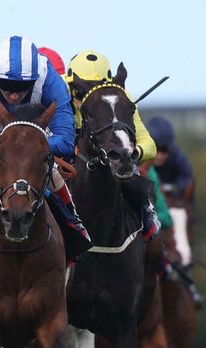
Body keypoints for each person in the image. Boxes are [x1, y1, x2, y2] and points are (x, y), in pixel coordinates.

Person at [0, 36, 92, 267]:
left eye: (22, 88)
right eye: (7, 87)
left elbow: (65, 140)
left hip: (34, 127)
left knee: (51, 173)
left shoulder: (49, 79)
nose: (13, 95)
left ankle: (75, 226)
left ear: (35, 79)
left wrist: (27, 147)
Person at [64, 49, 161, 240]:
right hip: (68, 162)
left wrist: (130, 152)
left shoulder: (121, 99)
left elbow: (149, 146)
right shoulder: (57, 94)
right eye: (79, 91)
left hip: (109, 161)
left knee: (127, 168)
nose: (84, 98)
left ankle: (145, 212)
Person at [146, 115, 204, 308]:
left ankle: (184, 272)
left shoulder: (179, 159)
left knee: (179, 218)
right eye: (157, 149)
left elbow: (186, 181)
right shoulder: (143, 159)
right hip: (151, 204)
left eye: (164, 149)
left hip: (174, 204)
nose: (161, 154)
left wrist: (170, 189)